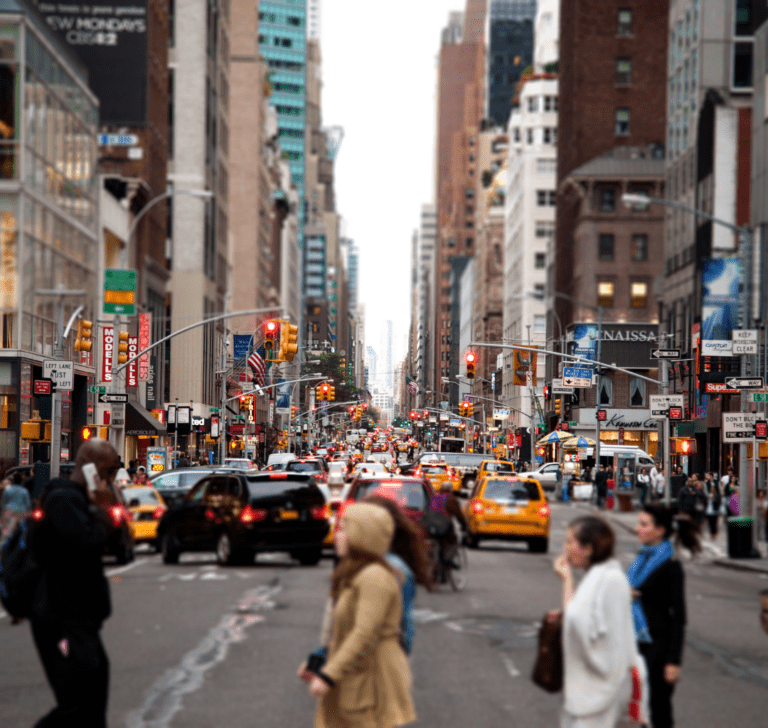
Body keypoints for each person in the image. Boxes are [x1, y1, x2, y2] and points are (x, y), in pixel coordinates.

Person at [30, 439, 122, 728]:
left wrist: (109, 506)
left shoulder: (85, 500)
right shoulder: (62, 500)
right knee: (78, 705)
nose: (112, 479)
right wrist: (103, 512)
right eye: (109, 471)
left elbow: (117, 543)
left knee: (93, 700)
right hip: (62, 620)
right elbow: (85, 546)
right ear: (93, 468)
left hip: (82, 620)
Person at [302, 503, 417, 728]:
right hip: (356, 673)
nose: (337, 535)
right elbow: (341, 627)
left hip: (371, 678)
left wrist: (328, 675)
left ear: (362, 536)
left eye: (344, 529)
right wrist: (319, 660)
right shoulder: (354, 572)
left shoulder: (374, 577)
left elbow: (364, 632)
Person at [553, 516, 638, 728]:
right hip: (594, 690)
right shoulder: (601, 576)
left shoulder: (608, 579)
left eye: (570, 542)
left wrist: (567, 580)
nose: (565, 548)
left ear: (588, 548)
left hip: (601, 693)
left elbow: (575, 621)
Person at [629, 503, 698, 728]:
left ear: (659, 530)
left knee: (658, 711)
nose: (637, 528)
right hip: (636, 644)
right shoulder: (642, 559)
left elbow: (679, 617)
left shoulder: (671, 566)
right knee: (639, 709)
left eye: (644, 524)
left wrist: (673, 660)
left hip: (658, 647)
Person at [1, 472, 32, 547]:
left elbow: (4, 502)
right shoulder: (24, 491)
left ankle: (5, 544)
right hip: (20, 512)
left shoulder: (8, 490)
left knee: (6, 530)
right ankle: (22, 544)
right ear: (21, 481)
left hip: (9, 511)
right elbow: (27, 504)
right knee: (23, 529)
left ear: (12, 482)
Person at [703, 473, 722, 541]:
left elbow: (719, 491)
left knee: (715, 522)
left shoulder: (716, 482)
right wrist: (709, 496)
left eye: (708, 475)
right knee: (710, 522)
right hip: (709, 510)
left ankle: (714, 533)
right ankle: (712, 533)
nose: (707, 477)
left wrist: (717, 497)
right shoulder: (706, 483)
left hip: (715, 508)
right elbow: (705, 492)